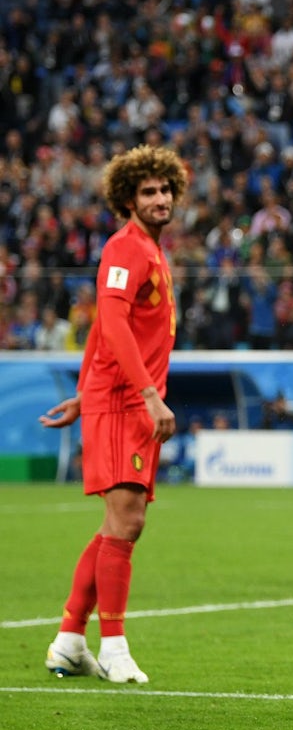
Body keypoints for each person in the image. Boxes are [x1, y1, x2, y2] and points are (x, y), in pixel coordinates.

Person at [40, 144, 189, 684]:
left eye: (166, 189)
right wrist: (146, 394)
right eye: (148, 191)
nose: (160, 198)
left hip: (119, 396)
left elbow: (106, 331)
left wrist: (83, 394)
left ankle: (68, 640)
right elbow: (113, 321)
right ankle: (115, 646)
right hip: (126, 400)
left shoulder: (148, 250)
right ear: (127, 199)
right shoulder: (128, 249)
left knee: (117, 523)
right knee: (127, 520)